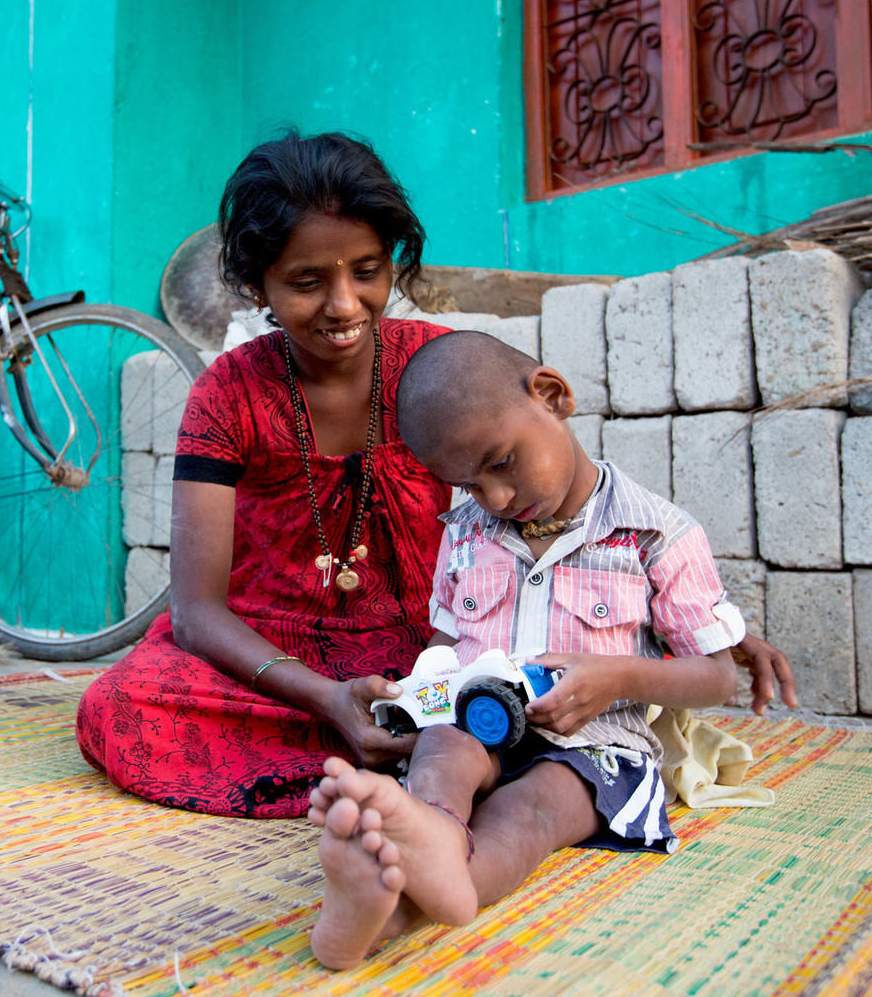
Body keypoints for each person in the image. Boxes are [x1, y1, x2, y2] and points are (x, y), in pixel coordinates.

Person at [75, 131, 796, 822]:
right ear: (257, 283)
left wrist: (705, 630)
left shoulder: (437, 369)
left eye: (366, 271)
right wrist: (327, 698)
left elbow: (557, 498)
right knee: (124, 706)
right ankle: (394, 761)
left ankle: (408, 762)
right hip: (275, 659)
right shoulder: (227, 393)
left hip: (428, 647)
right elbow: (199, 614)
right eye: (305, 281)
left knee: (471, 700)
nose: (343, 305)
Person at [305, 330, 749, 969]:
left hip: (597, 751)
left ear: (552, 396)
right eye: (469, 485)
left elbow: (716, 677)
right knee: (442, 752)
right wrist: (411, 696)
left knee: (530, 811)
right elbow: (446, 642)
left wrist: (618, 677)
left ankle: (412, 899)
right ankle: (423, 836)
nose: (496, 499)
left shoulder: (656, 534)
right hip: (478, 725)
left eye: (502, 463)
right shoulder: (463, 536)